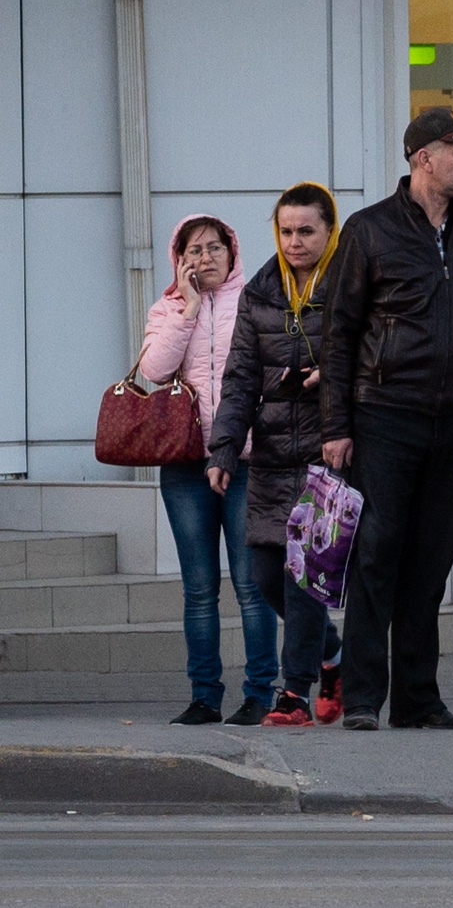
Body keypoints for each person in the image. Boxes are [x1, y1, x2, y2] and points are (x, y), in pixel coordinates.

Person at [320, 109, 453, 731]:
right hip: (384, 415)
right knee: (377, 552)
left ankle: (417, 700)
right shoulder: (368, 230)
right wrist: (336, 426)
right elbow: (337, 333)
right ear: (421, 158)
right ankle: (360, 699)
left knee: (432, 559)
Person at [206, 184, 347, 728]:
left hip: (325, 453)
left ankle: (293, 694)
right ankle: (331, 654)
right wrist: (222, 449)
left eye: (306, 231)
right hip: (267, 455)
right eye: (286, 231)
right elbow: (239, 377)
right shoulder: (262, 290)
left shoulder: (348, 284)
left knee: (303, 577)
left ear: (329, 230)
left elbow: (369, 353)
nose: (294, 241)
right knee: (265, 577)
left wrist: (328, 374)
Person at [140, 214, 279, 726]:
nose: (205, 258)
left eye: (214, 248)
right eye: (193, 250)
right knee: (199, 588)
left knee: (252, 585)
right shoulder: (168, 308)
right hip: (185, 465)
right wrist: (188, 309)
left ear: (232, 251)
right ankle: (204, 697)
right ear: (179, 259)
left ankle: (261, 695)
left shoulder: (257, 302)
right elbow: (153, 371)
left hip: (247, 463)